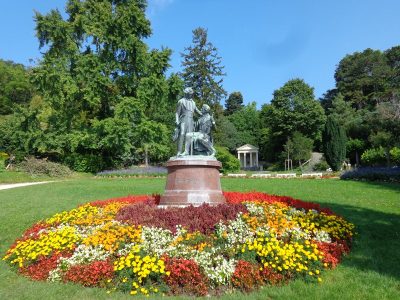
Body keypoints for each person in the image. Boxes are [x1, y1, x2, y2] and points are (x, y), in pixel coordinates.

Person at [174, 87, 202, 156]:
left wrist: (205, 114)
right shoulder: (181, 101)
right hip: (183, 119)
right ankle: (179, 151)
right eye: (189, 94)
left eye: (191, 94)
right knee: (182, 134)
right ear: (186, 94)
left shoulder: (193, 103)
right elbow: (177, 113)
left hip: (191, 120)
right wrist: (177, 120)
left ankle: (186, 151)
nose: (191, 95)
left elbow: (197, 111)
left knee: (189, 136)